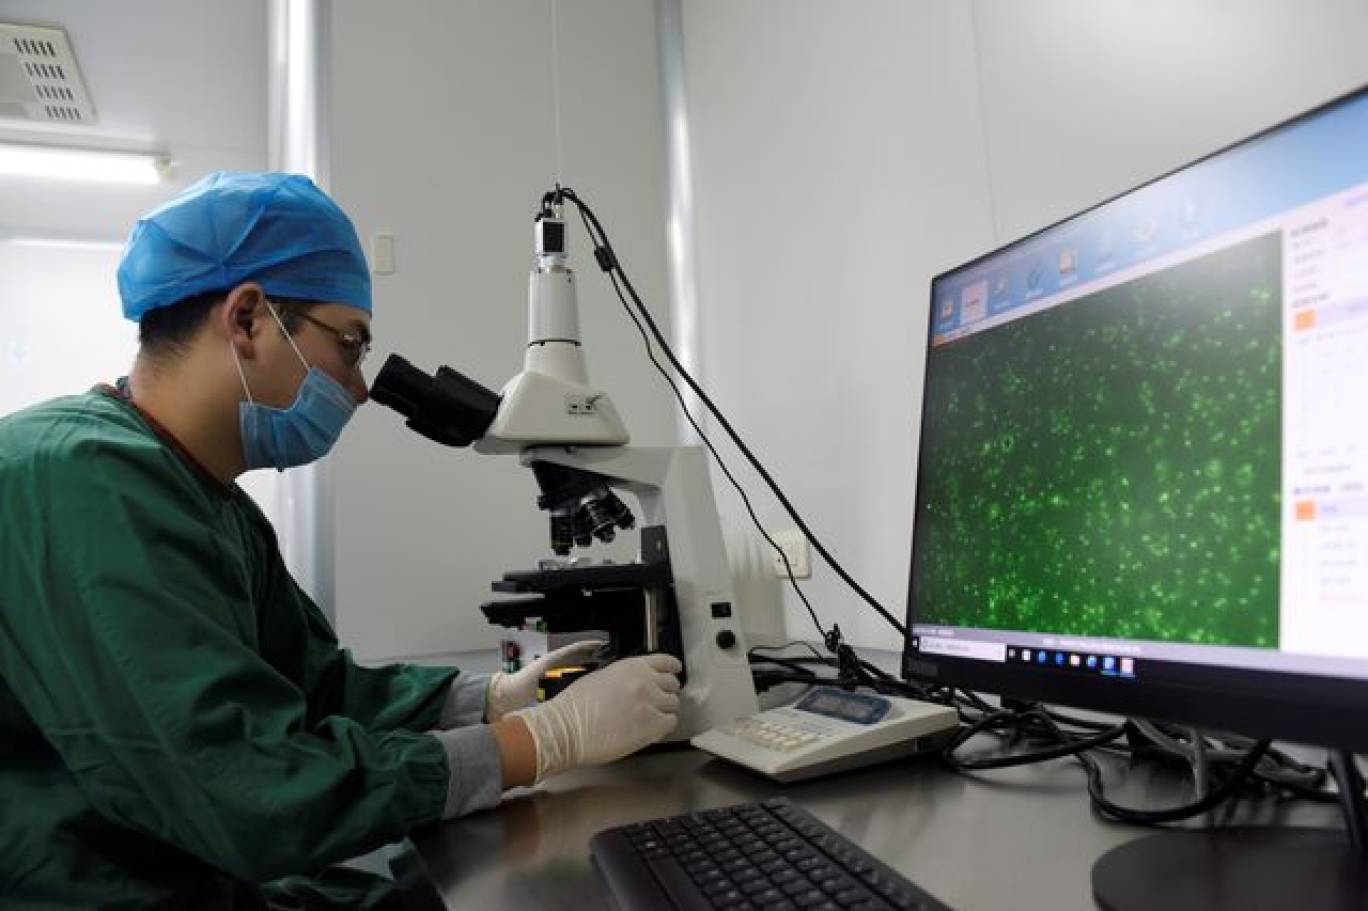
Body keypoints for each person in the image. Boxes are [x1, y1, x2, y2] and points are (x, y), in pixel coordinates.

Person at [0, 171, 683, 909]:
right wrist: (540, 742)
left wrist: (487, 699)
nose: (359, 389)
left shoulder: (207, 499)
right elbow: (247, 787)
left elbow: (316, 684)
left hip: (188, 871)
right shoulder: (83, 481)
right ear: (248, 319)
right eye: (351, 345)